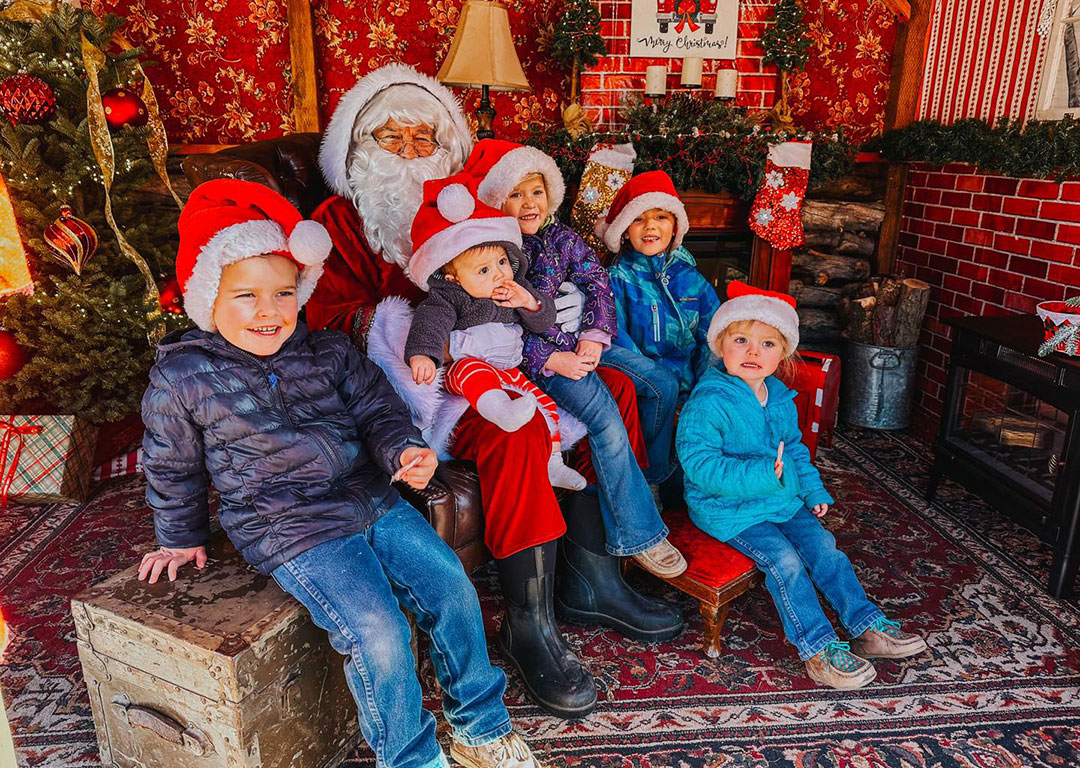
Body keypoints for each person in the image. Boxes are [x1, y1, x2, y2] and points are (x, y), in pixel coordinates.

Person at [304, 65, 680, 719]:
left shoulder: (470, 200)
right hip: (416, 392)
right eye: (394, 139)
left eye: (427, 139)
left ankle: (594, 580)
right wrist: (400, 332)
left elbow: (521, 268)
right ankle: (529, 624)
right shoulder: (338, 222)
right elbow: (320, 322)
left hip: (502, 356)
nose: (412, 154)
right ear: (361, 149)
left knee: (611, 386)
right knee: (518, 425)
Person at [138, 180, 546, 768]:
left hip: (369, 496)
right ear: (207, 300)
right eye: (246, 296)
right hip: (288, 523)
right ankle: (410, 757)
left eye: (283, 293)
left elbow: (379, 408)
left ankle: (479, 726)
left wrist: (403, 450)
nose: (268, 311)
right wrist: (179, 537)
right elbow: (170, 464)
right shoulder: (184, 377)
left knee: (451, 586)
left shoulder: (326, 352)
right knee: (377, 630)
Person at [676, 281, 928, 691]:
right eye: (741, 340)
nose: (754, 352)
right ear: (721, 345)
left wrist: (812, 491)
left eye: (767, 344)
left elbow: (793, 449)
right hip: (728, 509)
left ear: (783, 353)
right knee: (785, 562)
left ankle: (865, 626)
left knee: (824, 548)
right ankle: (817, 649)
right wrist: (762, 474)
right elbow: (699, 464)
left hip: (781, 499)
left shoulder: (777, 395)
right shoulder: (709, 401)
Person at [465, 139, 687, 582]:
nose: (529, 203)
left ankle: (652, 479)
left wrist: (593, 334)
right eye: (516, 194)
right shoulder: (494, 253)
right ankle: (638, 533)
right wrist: (554, 361)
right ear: (497, 199)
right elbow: (500, 327)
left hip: (581, 342)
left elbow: (596, 281)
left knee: (661, 383)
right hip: (539, 362)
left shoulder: (563, 237)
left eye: (536, 192)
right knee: (604, 416)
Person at [404, 175, 585, 490]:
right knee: (474, 371)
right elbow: (430, 322)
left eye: (502, 261)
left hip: (507, 370)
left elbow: (543, 322)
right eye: (484, 270)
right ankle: (500, 410)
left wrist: (529, 302)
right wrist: (424, 354)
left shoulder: (514, 289)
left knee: (544, 403)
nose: (499, 273)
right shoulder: (450, 296)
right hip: (465, 370)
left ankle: (553, 463)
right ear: (455, 278)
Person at [595, 170, 723, 497]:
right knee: (657, 393)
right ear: (624, 233)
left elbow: (713, 340)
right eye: (639, 219)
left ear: (675, 226)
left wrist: (703, 392)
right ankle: (649, 481)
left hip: (688, 392)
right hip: (645, 390)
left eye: (661, 217)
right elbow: (617, 337)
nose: (651, 226)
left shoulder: (692, 281)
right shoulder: (616, 279)